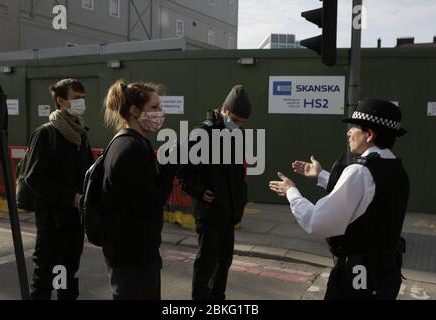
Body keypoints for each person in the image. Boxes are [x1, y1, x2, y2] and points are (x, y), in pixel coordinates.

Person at [269, 98, 409, 300]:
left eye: (354, 127)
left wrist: (292, 192)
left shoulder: (360, 172)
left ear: (369, 135)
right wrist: (322, 176)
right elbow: (367, 199)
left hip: (356, 281)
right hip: (387, 276)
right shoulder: (396, 169)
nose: (348, 133)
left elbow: (316, 222)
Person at [101, 80, 177, 300]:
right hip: (132, 256)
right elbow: (150, 202)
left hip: (134, 252)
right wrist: (169, 168)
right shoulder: (130, 148)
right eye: (154, 107)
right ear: (134, 111)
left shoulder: (131, 143)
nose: (160, 113)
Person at [177, 85, 252, 300]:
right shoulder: (202, 133)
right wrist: (200, 192)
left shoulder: (236, 135)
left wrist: (241, 199)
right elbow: (183, 174)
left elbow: (238, 174)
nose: (237, 125)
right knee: (207, 263)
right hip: (210, 213)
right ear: (224, 110)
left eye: (242, 123)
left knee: (224, 262)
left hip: (229, 213)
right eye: (235, 120)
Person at [25, 79, 94, 300]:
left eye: (83, 97)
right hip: (51, 221)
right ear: (60, 101)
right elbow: (33, 177)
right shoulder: (46, 134)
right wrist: (70, 198)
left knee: (66, 274)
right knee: (44, 278)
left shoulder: (80, 134)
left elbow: (88, 172)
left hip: (74, 221)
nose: (81, 102)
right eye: (76, 98)